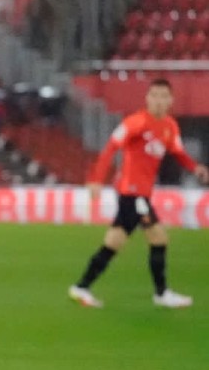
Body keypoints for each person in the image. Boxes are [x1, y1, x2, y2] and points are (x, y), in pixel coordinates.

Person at [70, 78, 208, 309]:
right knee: (158, 237)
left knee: (114, 242)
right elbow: (110, 148)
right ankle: (161, 293)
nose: (159, 101)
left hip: (141, 194)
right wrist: (96, 180)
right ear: (147, 98)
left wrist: (196, 168)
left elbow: (178, 152)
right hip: (131, 193)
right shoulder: (135, 122)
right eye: (154, 96)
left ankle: (81, 287)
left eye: (164, 96)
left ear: (170, 100)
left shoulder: (170, 126)